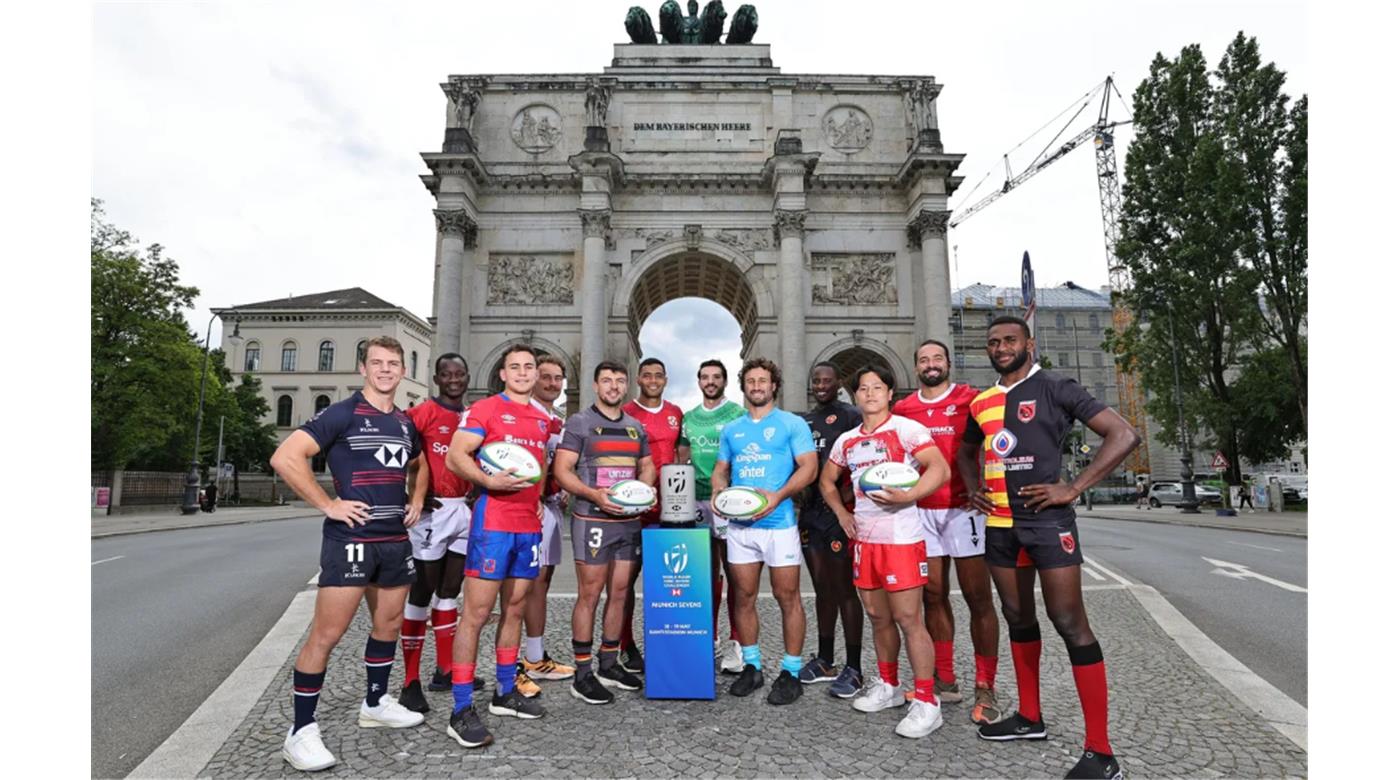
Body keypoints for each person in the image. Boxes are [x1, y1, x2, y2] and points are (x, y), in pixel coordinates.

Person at [957, 316, 1141, 780]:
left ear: (1029, 344)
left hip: (1048, 523)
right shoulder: (982, 401)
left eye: (1010, 340)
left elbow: (1123, 435)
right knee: (1017, 618)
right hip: (1000, 526)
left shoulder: (1056, 387)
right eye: (994, 342)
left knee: (1069, 622)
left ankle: (1102, 752)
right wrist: (972, 485)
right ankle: (1030, 718)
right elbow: (965, 451)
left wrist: (1072, 487)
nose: (1001, 348)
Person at [270, 336, 425, 772]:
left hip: (394, 541)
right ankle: (300, 731)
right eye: (377, 363)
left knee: (389, 623)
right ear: (363, 369)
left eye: (393, 363)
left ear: (403, 371)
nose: (385, 370)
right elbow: (285, 456)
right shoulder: (342, 413)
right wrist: (328, 504)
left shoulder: (405, 422)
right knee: (327, 634)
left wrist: (417, 497)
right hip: (351, 541)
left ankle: (375, 702)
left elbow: (420, 462)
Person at [820, 364, 952, 738]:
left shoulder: (907, 430)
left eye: (878, 387)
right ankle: (890, 685)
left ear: (889, 394)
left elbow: (939, 469)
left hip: (901, 539)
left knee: (909, 618)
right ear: (856, 396)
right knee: (878, 617)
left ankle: (927, 701)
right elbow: (828, 481)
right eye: (863, 388)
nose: (870, 393)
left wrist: (909, 495)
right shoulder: (846, 439)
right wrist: (843, 513)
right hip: (865, 540)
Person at [443, 345, 552, 749]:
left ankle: (505, 692)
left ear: (537, 374)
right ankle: (460, 708)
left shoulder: (543, 419)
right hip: (492, 525)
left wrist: (538, 498)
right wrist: (489, 483)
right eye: (515, 367)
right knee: (475, 614)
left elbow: (537, 468)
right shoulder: (486, 409)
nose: (523, 373)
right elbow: (456, 457)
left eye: (529, 367)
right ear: (503, 374)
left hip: (528, 528)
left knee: (516, 609)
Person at [892, 339, 1002, 724]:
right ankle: (945, 679)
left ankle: (986, 687)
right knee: (933, 596)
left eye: (937, 358)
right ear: (916, 367)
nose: (931, 364)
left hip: (964, 509)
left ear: (949, 363)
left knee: (978, 598)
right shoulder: (902, 409)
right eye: (923, 359)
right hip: (921, 510)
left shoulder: (973, 398)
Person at [711, 357, 818, 705]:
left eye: (763, 381)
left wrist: (779, 495)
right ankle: (752, 666)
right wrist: (717, 493)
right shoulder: (732, 429)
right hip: (741, 528)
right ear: (744, 387)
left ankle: (790, 671)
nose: (757, 386)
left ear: (774, 386)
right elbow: (721, 469)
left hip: (779, 524)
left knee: (788, 597)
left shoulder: (791, 423)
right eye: (751, 381)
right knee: (743, 597)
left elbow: (809, 468)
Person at [553, 361, 656, 705]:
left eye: (619, 380)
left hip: (627, 522)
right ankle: (582, 673)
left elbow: (648, 465)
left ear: (626, 386)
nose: (613, 386)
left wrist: (642, 491)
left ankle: (609, 662)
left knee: (621, 591)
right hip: (592, 519)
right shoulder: (580, 422)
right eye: (607, 380)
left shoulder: (635, 426)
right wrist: (595, 495)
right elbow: (562, 469)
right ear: (596, 386)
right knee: (590, 593)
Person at [398, 354, 478, 714]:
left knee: (450, 591)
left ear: (467, 377)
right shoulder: (419, 415)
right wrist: (410, 493)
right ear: (436, 378)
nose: (454, 380)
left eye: (459, 374)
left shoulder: (472, 416)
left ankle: (445, 670)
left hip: (464, 510)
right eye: (446, 374)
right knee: (421, 592)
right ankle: (409, 681)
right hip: (432, 512)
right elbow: (396, 455)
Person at [797, 362, 866, 698]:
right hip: (809, 516)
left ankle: (854, 667)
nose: (822, 385)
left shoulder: (851, 415)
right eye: (817, 380)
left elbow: (864, 458)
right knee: (822, 589)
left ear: (838, 382)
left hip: (840, 515)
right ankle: (825, 659)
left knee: (844, 591)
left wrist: (847, 497)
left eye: (828, 380)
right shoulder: (804, 421)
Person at [676, 359, 748, 673]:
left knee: (735, 575)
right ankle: (709, 637)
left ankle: (736, 643)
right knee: (705, 575)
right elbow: (681, 459)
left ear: (725, 381)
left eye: (716, 377)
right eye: (705, 377)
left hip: (729, 502)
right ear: (698, 381)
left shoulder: (739, 414)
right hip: (698, 501)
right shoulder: (688, 419)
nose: (710, 381)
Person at [618, 357, 685, 675]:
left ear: (666, 379)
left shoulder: (675, 413)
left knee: (666, 584)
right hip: (634, 510)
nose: (653, 380)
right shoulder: (626, 413)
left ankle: (665, 644)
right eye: (647, 375)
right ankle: (625, 645)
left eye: (659, 375)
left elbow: (680, 455)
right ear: (639, 379)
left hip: (668, 511)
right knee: (624, 583)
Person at [519, 355, 577, 688]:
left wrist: (561, 488)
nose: (552, 384)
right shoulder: (524, 414)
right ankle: (518, 663)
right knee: (524, 585)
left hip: (551, 509)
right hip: (529, 510)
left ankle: (536, 655)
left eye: (558, 379)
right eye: (546, 377)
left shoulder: (556, 420)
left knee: (542, 581)